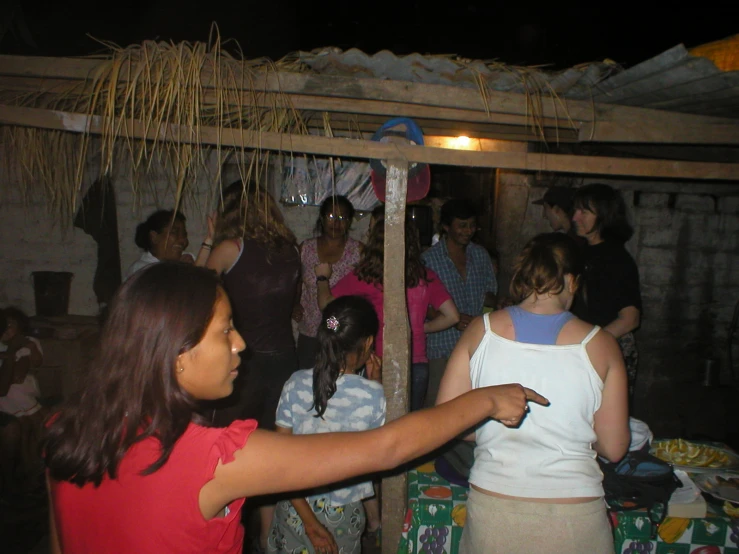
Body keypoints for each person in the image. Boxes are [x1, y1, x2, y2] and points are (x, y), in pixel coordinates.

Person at [43, 262, 547, 554]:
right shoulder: (208, 460)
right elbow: (386, 447)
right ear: (175, 352)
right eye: (225, 331)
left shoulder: (65, 431)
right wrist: (486, 398)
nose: (241, 344)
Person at [437, 233, 630, 554]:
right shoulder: (602, 344)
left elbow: (448, 421)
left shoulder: (480, 331)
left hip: (495, 509)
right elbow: (614, 447)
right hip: (574, 515)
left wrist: (495, 427)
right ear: (572, 280)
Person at [206, 181, 302, 550]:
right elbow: (293, 306)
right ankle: (267, 537)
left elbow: (189, 293)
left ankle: (226, 531)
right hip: (284, 359)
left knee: (228, 450)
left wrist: (207, 241)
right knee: (271, 450)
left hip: (243, 363)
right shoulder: (291, 251)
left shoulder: (230, 249)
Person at [269, 296, 384, 554]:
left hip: (294, 507)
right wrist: (375, 385)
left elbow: (280, 459)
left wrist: (309, 522)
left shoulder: (295, 383)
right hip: (342, 514)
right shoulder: (373, 395)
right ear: (367, 343)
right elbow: (376, 455)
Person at [316, 217, 460, 409]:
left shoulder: (366, 276)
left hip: (378, 362)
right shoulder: (424, 275)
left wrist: (322, 277)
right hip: (416, 362)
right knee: (410, 428)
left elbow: (327, 305)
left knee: (377, 422)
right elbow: (452, 316)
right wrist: (419, 328)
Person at [421, 199, 497, 408]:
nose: (468, 231)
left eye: (472, 225)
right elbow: (420, 304)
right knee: (438, 406)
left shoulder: (480, 255)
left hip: (476, 345)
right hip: (441, 345)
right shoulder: (428, 259)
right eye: (462, 225)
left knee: (472, 405)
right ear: (446, 227)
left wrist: (482, 318)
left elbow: (491, 294)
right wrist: (446, 319)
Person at [571, 183, 642, 403]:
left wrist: (591, 344)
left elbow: (630, 318)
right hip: (583, 349)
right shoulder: (580, 252)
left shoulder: (618, 259)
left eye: (584, 211)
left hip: (608, 349)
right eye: (576, 210)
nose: (575, 217)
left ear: (603, 215)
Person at [295, 196, 362, 370]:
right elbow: (295, 280)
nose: (336, 223)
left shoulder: (358, 251)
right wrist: (293, 304)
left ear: (349, 222)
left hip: (342, 333)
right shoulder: (306, 248)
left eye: (342, 218)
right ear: (322, 218)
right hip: (310, 330)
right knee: (307, 381)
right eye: (332, 217)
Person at [0, 307, 45, 496]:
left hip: (24, 391)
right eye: (6, 325)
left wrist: (30, 349)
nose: (8, 329)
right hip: (8, 396)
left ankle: (36, 469)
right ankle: (30, 471)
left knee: (36, 425)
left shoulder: (28, 343)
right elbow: (10, 381)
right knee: (30, 424)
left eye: (13, 325)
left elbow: (33, 364)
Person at [125, 209, 214, 279]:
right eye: (174, 232)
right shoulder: (140, 271)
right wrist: (179, 271)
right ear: (154, 237)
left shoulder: (187, 258)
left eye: (184, 235)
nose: (183, 240)